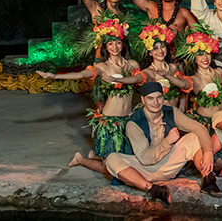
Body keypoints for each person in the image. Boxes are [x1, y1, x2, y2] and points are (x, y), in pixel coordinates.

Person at [36, 15, 145, 174]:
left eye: (117, 42)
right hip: (111, 122)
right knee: (110, 169)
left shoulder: (132, 65)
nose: (114, 47)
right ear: (105, 46)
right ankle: (81, 159)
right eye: (110, 43)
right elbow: (80, 75)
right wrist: (55, 76)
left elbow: (140, 80)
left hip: (128, 120)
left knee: (131, 164)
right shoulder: (102, 67)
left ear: (123, 43)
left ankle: (94, 156)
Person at [105, 82, 222, 205]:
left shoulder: (171, 112)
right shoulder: (134, 123)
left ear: (163, 97)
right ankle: (154, 190)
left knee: (194, 137)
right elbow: (146, 159)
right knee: (112, 159)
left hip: (168, 164)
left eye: (159, 97)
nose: (156, 102)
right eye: (150, 98)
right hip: (142, 170)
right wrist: (167, 141)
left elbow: (199, 128)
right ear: (143, 100)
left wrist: (209, 152)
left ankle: (208, 179)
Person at [176, 23, 222, 169]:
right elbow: (184, 88)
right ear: (194, 57)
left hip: (221, 120)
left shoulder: (220, 72)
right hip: (204, 122)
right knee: (212, 160)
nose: (205, 57)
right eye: (200, 54)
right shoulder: (194, 78)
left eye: (207, 53)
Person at [139, 24, 193, 108]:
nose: (160, 51)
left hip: (175, 112)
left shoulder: (173, 68)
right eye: (155, 48)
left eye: (163, 46)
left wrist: (181, 110)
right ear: (150, 53)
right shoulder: (148, 72)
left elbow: (183, 89)